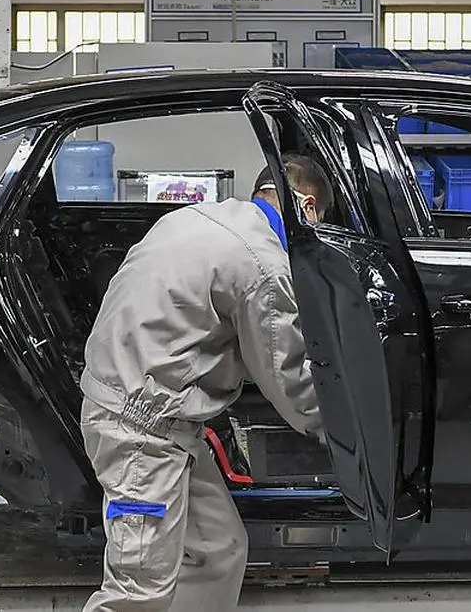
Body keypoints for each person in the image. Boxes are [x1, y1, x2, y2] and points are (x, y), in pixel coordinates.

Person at [79, 153, 332, 611]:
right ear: (309, 207)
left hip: (154, 412)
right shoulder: (263, 264)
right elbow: (287, 378)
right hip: (140, 430)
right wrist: (340, 426)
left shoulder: (200, 216)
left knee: (218, 551)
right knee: (138, 593)